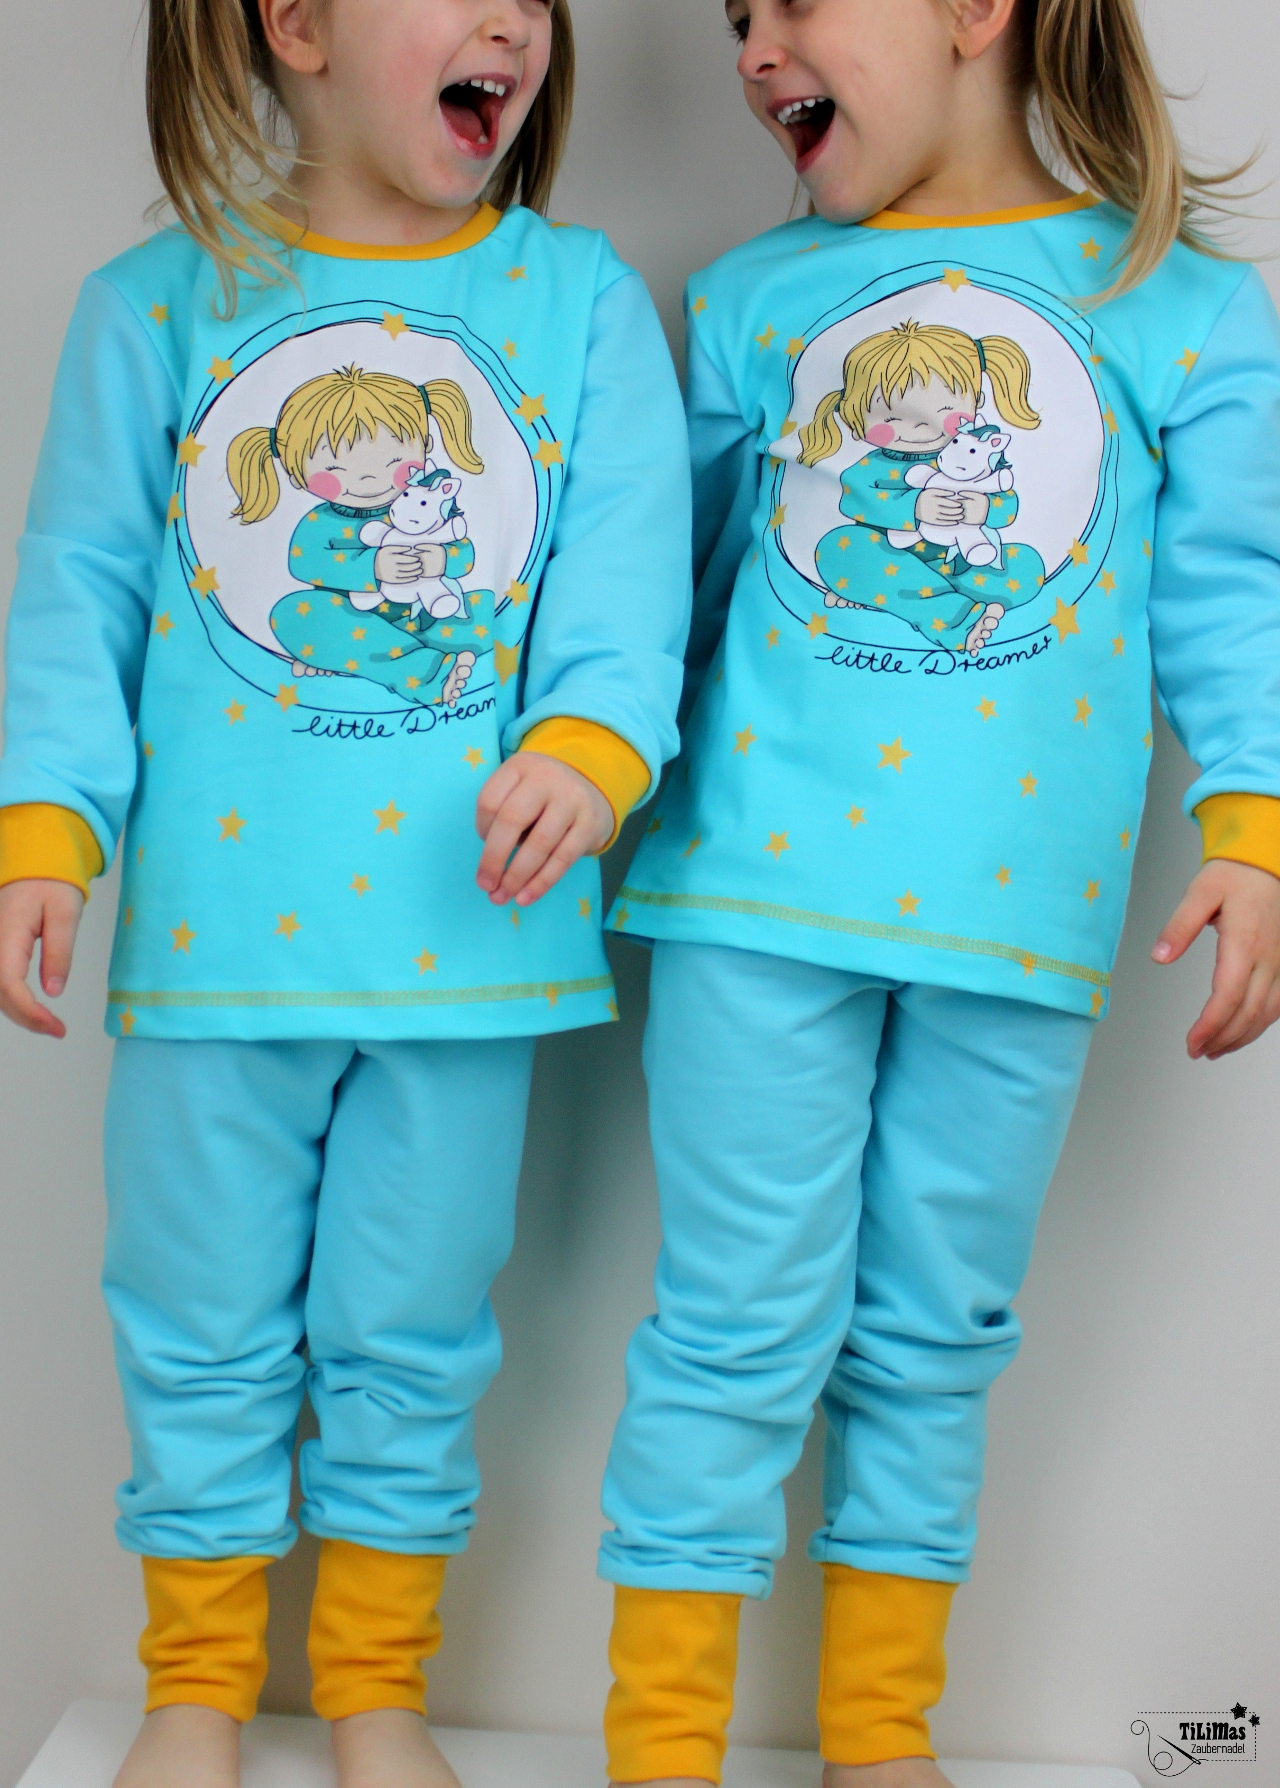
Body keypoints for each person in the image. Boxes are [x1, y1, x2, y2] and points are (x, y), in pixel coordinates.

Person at [0, 2, 690, 1785]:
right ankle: (196, 1687)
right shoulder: (155, 305)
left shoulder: (581, 301)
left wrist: (594, 751)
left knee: (414, 1333)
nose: (512, 21)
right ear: (294, 24)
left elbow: (627, 578)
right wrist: (46, 830)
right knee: (194, 1319)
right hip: (213, 957)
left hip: (472, 955)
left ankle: (378, 1683)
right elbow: (76, 590)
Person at [596, 2, 1280, 1785]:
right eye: (736, 18)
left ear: (977, 9)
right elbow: (656, 599)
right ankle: (659, 1747)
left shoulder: (1184, 310)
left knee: (934, 1336)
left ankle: (880, 1739)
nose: (756, 50)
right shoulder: (750, 304)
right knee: (734, 1325)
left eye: (794, 3)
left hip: (1016, 928)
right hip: (753, 904)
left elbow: (1237, 604)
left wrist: (1257, 831)